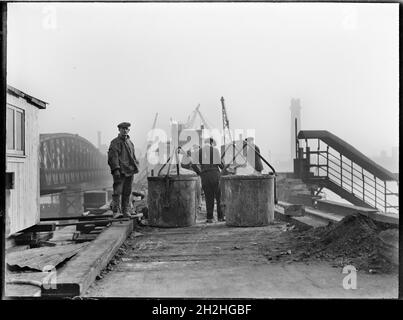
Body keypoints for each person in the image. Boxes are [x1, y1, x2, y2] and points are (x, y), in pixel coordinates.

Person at [108, 122, 139, 218]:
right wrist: (116, 169)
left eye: (127, 129)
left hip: (130, 170)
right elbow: (113, 157)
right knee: (117, 191)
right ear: (119, 130)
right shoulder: (115, 142)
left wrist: (136, 166)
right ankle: (115, 211)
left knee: (127, 192)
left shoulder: (130, 142)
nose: (125, 130)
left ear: (128, 130)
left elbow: (133, 156)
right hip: (120, 171)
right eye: (123, 128)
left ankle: (125, 211)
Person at [191, 137, 225, 223]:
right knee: (218, 196)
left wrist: (200, 173)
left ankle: (209, 218)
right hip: (215, 175)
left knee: (208, 197)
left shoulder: (198, 152)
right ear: (212, 143)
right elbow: (219, 164)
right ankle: (220, 217)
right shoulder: (215, 150)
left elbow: (193, 165)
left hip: (205, 176)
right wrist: (224, 168)